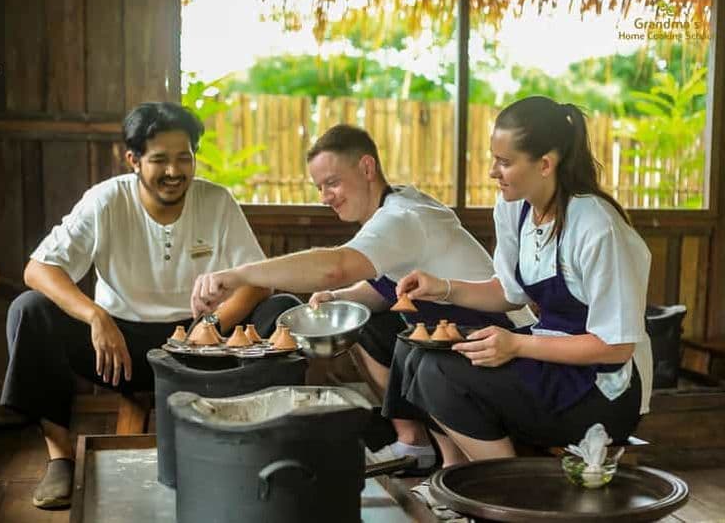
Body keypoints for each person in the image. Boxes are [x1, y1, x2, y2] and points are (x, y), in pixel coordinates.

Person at [0, 102, 299, 509]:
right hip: (119, 343)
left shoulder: (217, 201)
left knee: (282, 308)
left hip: (201, 344)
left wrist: (209, 325)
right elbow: (38, 269)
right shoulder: (105, 201)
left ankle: (263, 449)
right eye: (160, 160)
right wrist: (95, 315)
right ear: (133, 160)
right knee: (29, 309)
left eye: (184, 158)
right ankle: (61, 460)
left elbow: (257, 283)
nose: (174, 172)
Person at [191, 124, 533, 472]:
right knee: (357, 317)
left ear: (367, 168)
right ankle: (422, 448)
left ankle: (468, 470)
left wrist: (239, 274)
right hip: (455, 330)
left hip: (505, 336)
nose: (326, 196)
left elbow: (336, 266)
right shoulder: (392, 209)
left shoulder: (402, 216)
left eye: (333, 183)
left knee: (420, 351)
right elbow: (385, 290)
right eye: (320, 188)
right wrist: (337, 297)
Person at [395, 96, 653, 461]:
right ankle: (455, 477)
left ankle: (507, 489)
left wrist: (516, 346)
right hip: (548, 360)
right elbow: (508, 292)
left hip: (601, 390)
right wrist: (443, 289)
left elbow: (616, 346)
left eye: (504, 162)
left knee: (441, 372)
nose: (492, 172)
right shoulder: (515, 207)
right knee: (414, 353)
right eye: (493, 159)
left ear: (545, 164)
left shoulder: (597, 228)